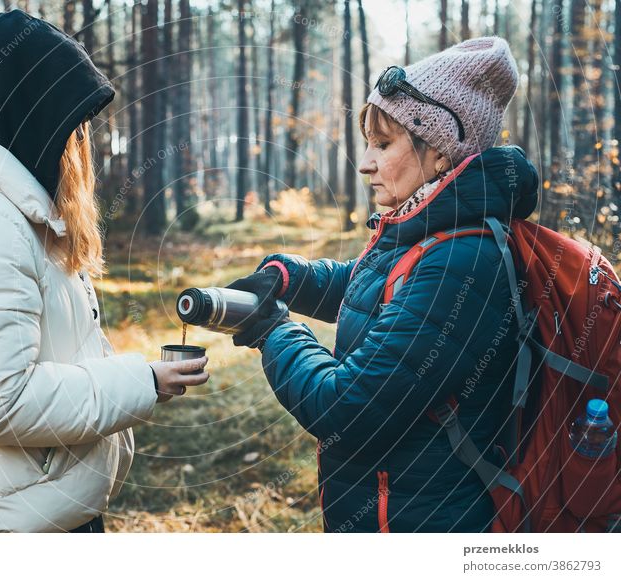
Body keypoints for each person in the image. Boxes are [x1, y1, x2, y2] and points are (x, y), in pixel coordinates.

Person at [0, 10, 208, 533]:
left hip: (40, 510)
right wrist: (142, 380)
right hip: (8, 528)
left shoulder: (19, 213)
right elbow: (0, 402)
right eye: (69, 121)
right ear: (30, 116)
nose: (79, 141)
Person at [226, 37, 539, 532]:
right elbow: (374, 286)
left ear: (440, 153)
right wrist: (287, 277)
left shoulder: (461, 259)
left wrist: (273, 331)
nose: (365, 163)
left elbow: (346, 411)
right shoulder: (433, 233)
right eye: (368, 142)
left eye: (384, 143)